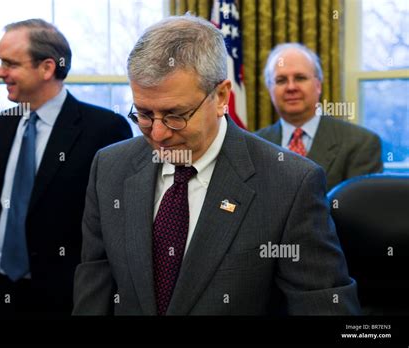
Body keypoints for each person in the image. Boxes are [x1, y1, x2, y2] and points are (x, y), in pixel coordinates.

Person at [72, 15, 360, 315]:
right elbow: (95, 288)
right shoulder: (109, 167)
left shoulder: (290, 183)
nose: (158, 134)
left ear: (221, 96)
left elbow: (324, 308)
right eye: (144, 114)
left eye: (175, 114)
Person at [0, 19, 132, 317]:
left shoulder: (105, 130)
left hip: (61, 299)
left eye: (10, 64)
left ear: (47, 68)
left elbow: (113, 228)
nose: (0, 72)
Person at [256, 43, 383, 191]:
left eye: (300, 78)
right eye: (281, 80)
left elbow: (361, 210)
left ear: (318, 85)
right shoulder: (253, 145)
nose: (291, 87)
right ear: (270, 89)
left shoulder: (361, 144)